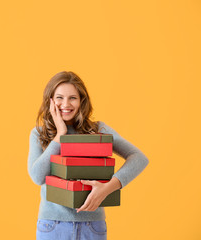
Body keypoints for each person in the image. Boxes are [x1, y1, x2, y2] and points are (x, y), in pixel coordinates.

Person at [27, 71, 149, 240]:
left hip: (92, 226)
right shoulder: (39, 134)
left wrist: (107, 188)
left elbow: (139, 158)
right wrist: (60, 135)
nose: (66, 104)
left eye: (73, 98)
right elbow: (37, 177)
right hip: (52, 225)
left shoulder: (97, 129)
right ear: (51, 101)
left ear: (81, 101)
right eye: (60, 97)